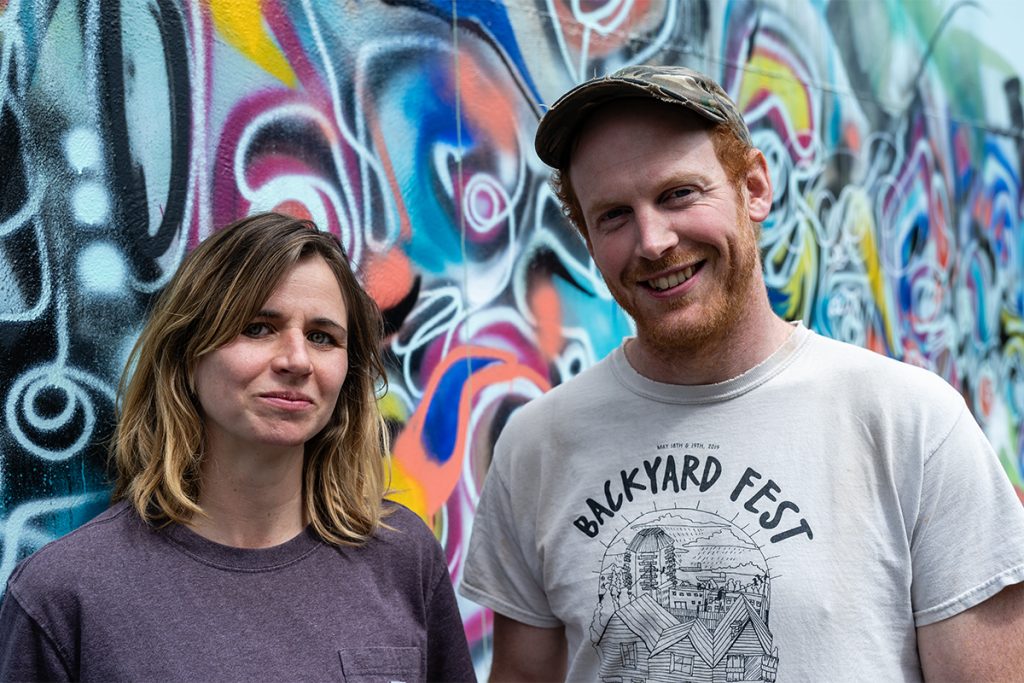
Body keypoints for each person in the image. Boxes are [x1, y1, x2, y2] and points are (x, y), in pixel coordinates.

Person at [459, 65, 1024, 681]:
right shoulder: (537, 446)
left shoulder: (910, 422)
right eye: (614, 215)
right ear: (589, 240)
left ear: (753, 187)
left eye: (678, 194)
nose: (652, 241)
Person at [0, 212, 476, 682]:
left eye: (321, 337)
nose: (296, 360)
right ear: (189, 355)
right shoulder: (63, 595)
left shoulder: (402, 556)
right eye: (258, 328)